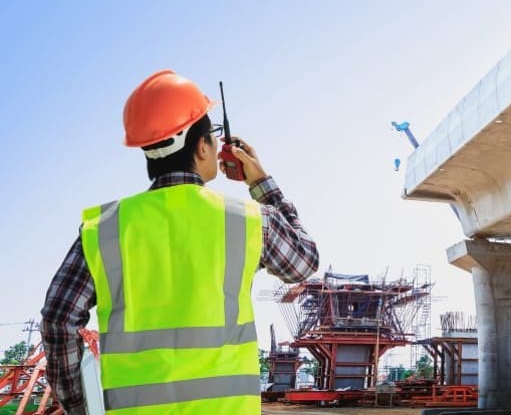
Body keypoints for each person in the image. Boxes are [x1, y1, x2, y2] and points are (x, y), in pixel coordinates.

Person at [40, 70, 319, 414]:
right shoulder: (249, 220)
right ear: (201, 146)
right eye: (214, 136)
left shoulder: (104, 228)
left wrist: (78, 406)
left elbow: (58, 319)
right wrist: (261, 183)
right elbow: (304, 262)